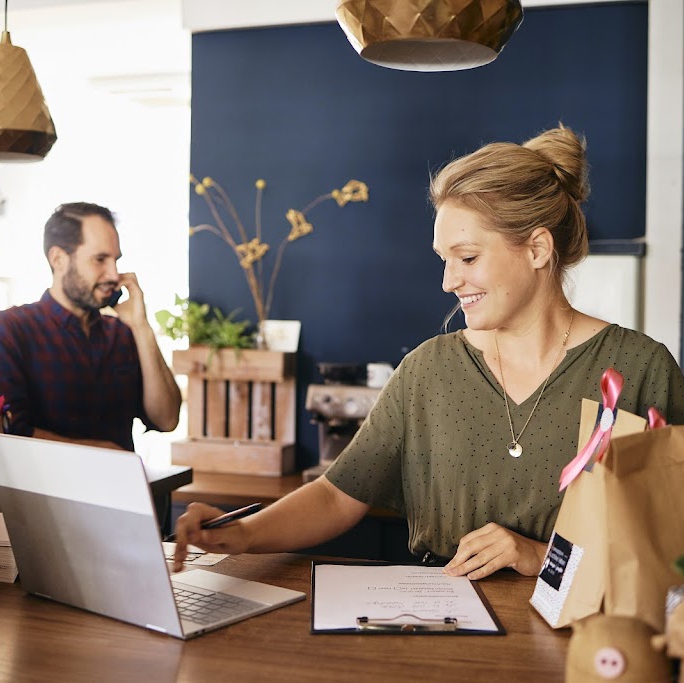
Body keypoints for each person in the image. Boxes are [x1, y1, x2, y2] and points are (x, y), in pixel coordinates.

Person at [172, 124, 684, 579]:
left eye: (466, 257)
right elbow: (336, 494)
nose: (447, 282)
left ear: (537, 249)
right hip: (438, 624)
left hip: (585, 647)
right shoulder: (428, 370)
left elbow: (670, 543)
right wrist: (240, 535)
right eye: (444, 260)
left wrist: (538, 556)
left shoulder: (640, 370)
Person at [0, 202, 182, 452]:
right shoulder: (11, 329)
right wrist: (106, 455)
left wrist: (141, 327)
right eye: (100, 260)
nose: (113, 275)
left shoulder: (122, 333)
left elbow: (167, 419)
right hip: (46, 490)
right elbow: (12, 433)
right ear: (58, 259)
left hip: (123, 489)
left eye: (116, 260)